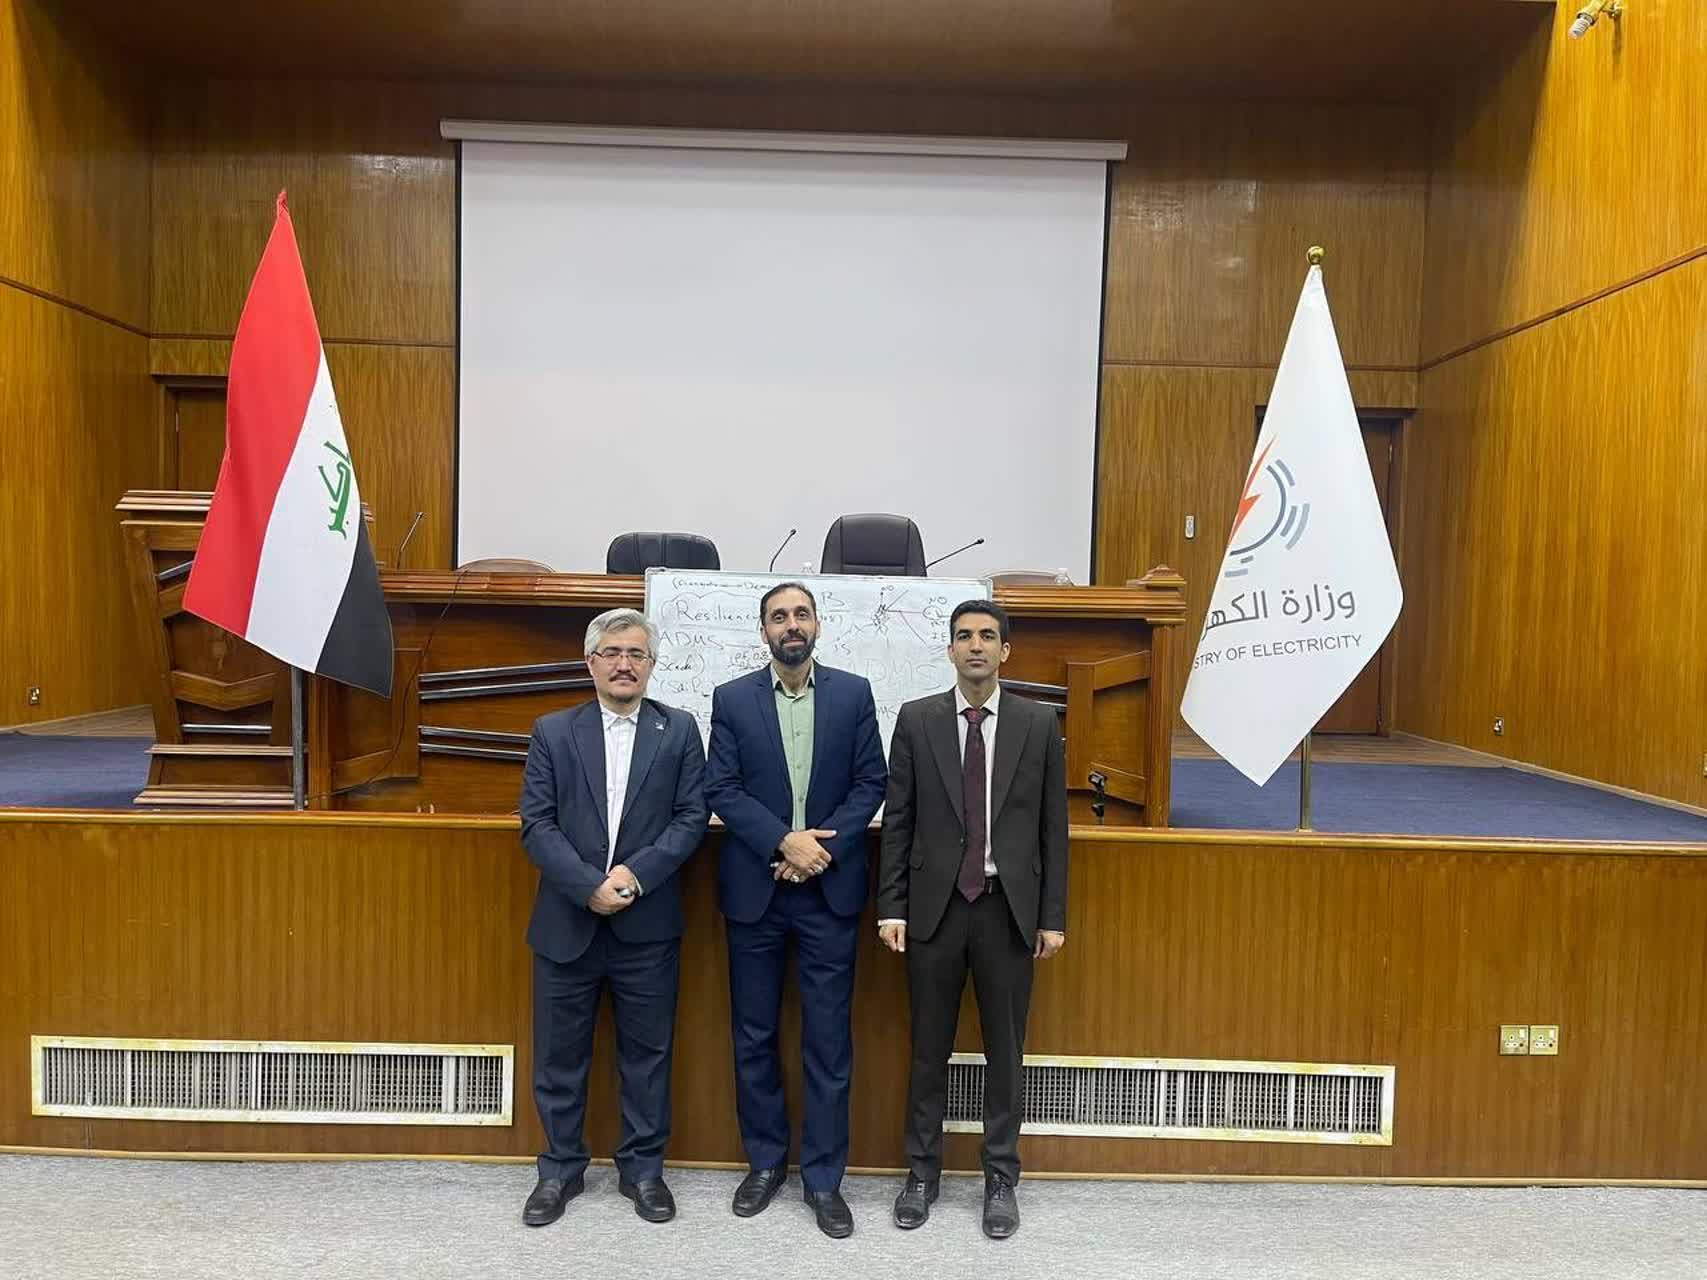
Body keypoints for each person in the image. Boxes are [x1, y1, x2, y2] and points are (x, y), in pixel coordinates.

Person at [877, 598, 1068, 1240]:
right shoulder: (918, 719)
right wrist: (892, 906)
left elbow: (1053, 828)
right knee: (927, 1048)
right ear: (951, 649)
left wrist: (1052, 916)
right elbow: (898, 821)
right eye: (964, 636)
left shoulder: (1037, 723)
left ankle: (1000, 1179)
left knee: (1005, 1052)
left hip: (1006, 910)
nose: (976, 645)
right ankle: (921, 1174)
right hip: (933, 911)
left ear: (1005, 651)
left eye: (988, 636)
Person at [704, 582, 887, 1238]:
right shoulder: (732, 699)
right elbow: (721, 786)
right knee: (753, 1036)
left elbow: (871, 781)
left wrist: (819, 852)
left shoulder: (853, 694)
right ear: (763, 631)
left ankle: (823, 1179)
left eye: (800, 614)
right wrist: (785, 842)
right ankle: (764, 1164)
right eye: (778, 616)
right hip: (757, 890)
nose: (791, 625)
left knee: (827, 1041)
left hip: (828, 893)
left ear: (817, 626)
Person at [517, 608, 708, 1229]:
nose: (625, 664)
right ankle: (559, 1170)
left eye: (637, 654)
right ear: (590, 662)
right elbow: (536, 824)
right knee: (559, 1058)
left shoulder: (679, 730)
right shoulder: (552, 731)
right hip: (566, 924)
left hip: (646, 925)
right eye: (612, 653)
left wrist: (633, 876)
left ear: (651, 665)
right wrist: (588, 886)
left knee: (647, 1057)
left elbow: (690, 818)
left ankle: (643, 1171)